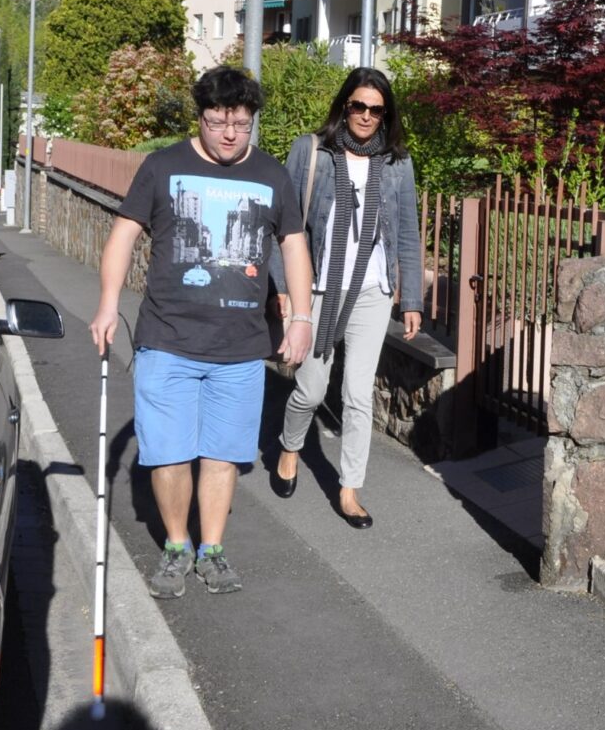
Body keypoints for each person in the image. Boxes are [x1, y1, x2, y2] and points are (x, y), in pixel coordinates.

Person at [89, 66, 313, 597]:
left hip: (239, 347)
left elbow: (294, 246)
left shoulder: (272, 175)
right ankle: (174, 546)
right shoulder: (162, 167)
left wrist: (301, 317)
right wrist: (105, 305)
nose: (230, 134)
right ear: (201, 117)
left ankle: (211, 549)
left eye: (240, 122)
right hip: (166, 339)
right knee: (167, 453)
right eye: (218, 122)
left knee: (222, 455)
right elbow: (122, 238)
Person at [270, 67, 422, 529]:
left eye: (377, 109)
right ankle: (290, 445)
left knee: (358, 396)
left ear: (386, 114)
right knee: (311, 388)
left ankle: (350, 489)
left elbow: (408, 235)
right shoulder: (311, 151)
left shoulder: (397, 163)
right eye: (359, 105)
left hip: (372, 292)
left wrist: (411, 298)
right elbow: (284, 224)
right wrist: (281, 288)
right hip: (316, 289)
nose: (366, 116)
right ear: (344, 106)